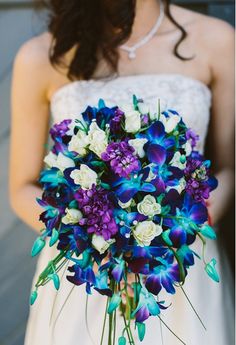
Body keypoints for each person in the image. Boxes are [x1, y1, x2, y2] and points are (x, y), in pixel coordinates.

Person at [9, 1, 234, 344]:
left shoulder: (217, 41)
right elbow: (22, 188)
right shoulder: (41, 55)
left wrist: (177, 226)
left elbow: (227, 167)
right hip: (88, 276)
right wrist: (95, 245)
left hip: (178, 269)